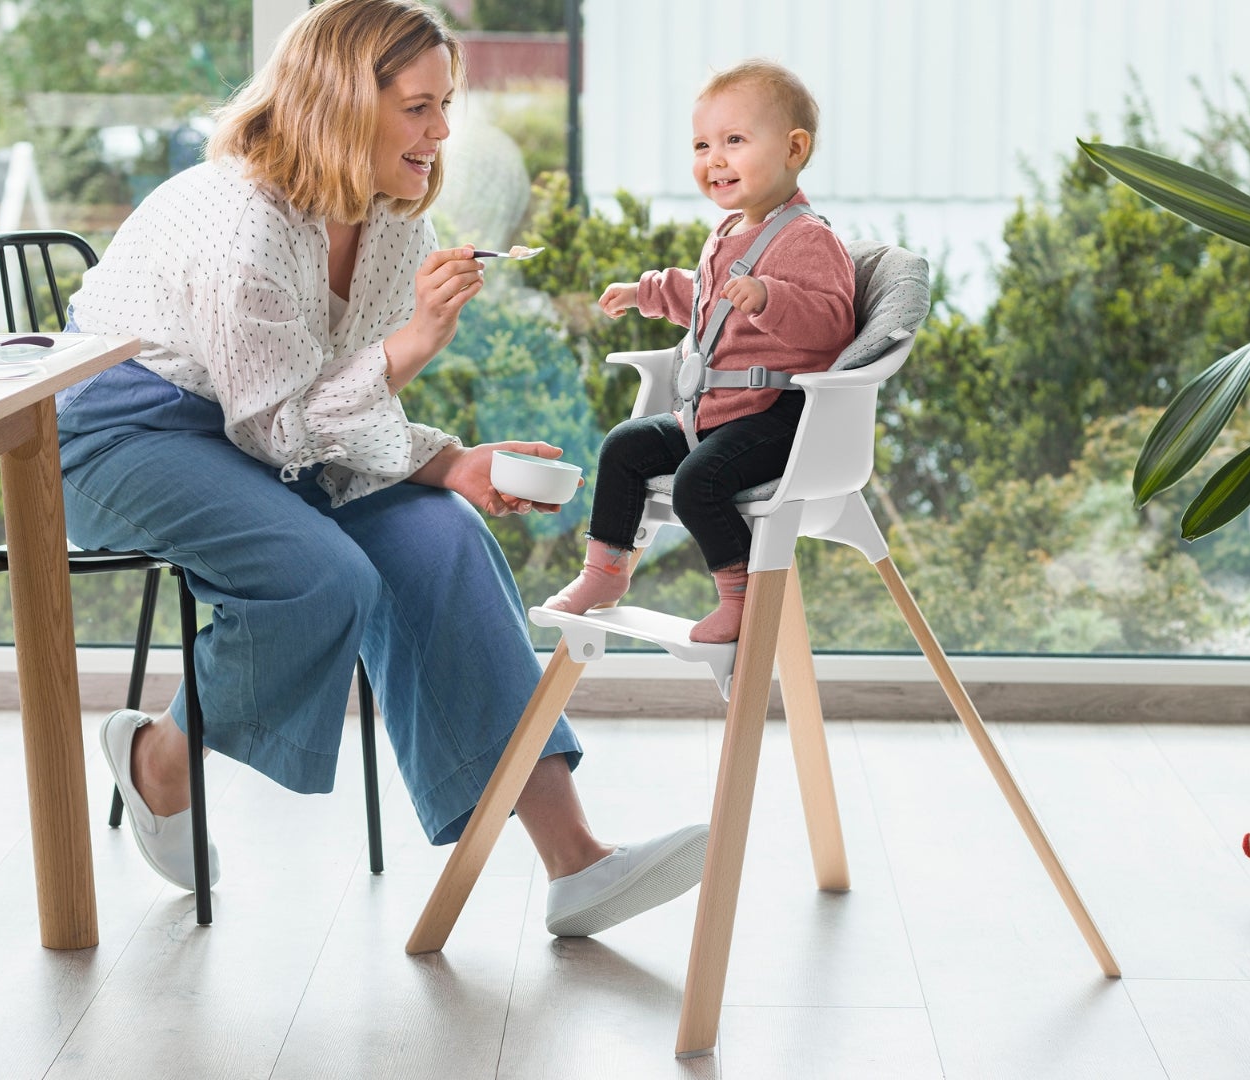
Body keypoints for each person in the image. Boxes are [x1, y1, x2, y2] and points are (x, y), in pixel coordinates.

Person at [57, 0, 706, 938]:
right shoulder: (240, 225)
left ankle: (576, 864)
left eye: (446, 105)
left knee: (444, 540)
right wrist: (411, 350)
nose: (442, 130)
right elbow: (283, 430)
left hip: (263, 430)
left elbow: (327, 406)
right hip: (128, 436)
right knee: (321, 576)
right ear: (338, 102)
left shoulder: (396, 221)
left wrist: (446, 465)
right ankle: (161, 757)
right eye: (417, 107)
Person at [544, 60, 857, 643]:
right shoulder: (730, 231)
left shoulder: (809, 239)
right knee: (624, 446)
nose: (714, 157)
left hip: (777, 415)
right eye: (702, 144)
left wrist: (770, 297)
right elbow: (705, 299)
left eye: (734, 140)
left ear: (793, 149)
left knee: (696, 482)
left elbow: (835, 323)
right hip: (714, 413)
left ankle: (740, 596)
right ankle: (605, 571)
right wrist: (648, 292)